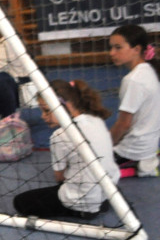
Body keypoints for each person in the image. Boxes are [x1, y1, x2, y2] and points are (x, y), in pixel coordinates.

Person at [13, 80, 118, 220]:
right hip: (108, 191)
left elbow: (59, 177)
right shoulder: (96, 120)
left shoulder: (60, 135)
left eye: (46, 110)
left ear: (65, 105)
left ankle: (80, 210)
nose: (42, 116)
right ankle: (99, 201)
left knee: (21, 202)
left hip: (83, 200)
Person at [108, 24, 160, 178]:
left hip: (133, 150)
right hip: (149, 144)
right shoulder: (150, 70)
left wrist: (106, 145)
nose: (112, 53)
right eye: (111, 47)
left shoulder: (133, 80)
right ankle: (146, 160)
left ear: (137, 49)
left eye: (118, 48)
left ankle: (139, 166)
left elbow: (124, 124)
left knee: (88, 167)